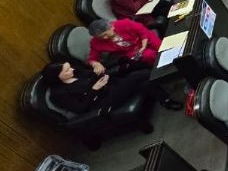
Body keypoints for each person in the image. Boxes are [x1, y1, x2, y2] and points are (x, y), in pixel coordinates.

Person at [42, 60, 182, 113]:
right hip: (104, 101)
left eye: (69, 67)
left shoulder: (76, 71)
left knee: (143, 82)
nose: (71, 70)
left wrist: (102, 73)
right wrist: (94, 89)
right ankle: (178, 71)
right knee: (140, 75)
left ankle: (166, 101)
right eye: (66, 71)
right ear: (57, 77)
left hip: (112, 86)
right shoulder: (59, 94)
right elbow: (80, 108)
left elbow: (94, 73)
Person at [87, 18, 160, 69]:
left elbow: (142, 31)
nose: (104, 38)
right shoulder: (96, 42)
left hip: (145, 38)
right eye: (100, 37)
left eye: (105, 35)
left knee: (160, 47)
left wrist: (144, 45)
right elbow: (92, 58)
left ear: (111, 27)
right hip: (131, 51)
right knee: (149, 56)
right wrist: (95, 63)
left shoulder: (124, 23)